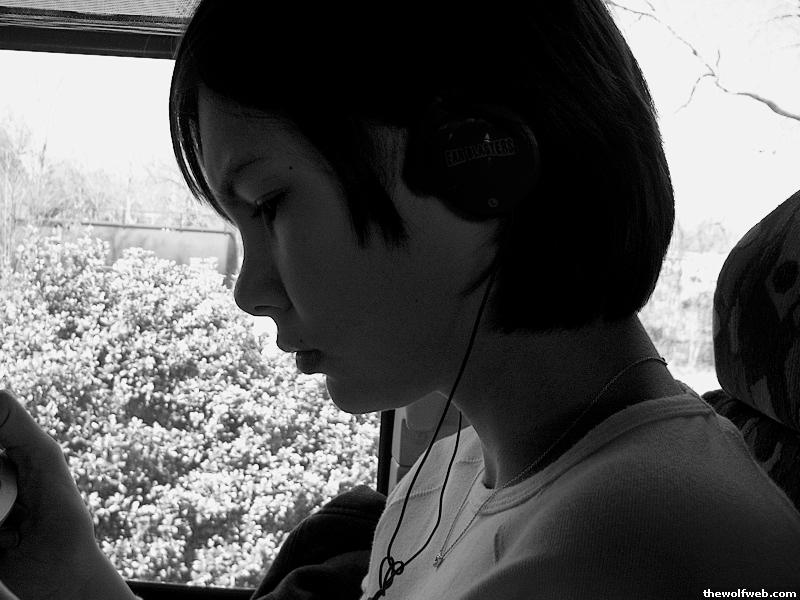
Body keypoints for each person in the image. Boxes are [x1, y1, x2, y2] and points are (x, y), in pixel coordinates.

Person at [0, 2, 799, 599]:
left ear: (479, 165)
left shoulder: (637, 547)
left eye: (269, 205)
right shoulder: (456, 468)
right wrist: (62, 565)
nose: (249, 291)